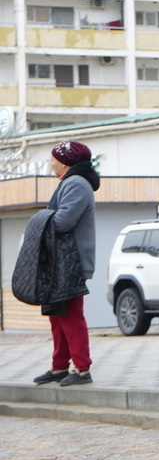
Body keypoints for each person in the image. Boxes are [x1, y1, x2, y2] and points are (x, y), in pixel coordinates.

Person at [31, 140, 99, 388]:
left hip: (71, 262)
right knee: (57, 313)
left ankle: (82, 368)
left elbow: (63, 221)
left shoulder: (76, 183)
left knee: (70, 314)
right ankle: (59, 366)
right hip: (61, 261)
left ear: (66, 162)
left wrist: (39, 220)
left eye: (53, 160)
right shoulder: (69, 182)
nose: (51, 164)